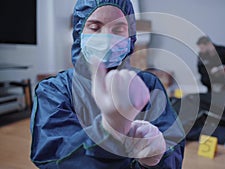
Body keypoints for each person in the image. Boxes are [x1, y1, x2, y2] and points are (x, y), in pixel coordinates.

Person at [30, 0, 185, 168]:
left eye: (118, 29)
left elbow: (173, 147)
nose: (105, 38)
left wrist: (156, 158)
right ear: (79, 32)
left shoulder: (148, 85)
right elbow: (54, 157)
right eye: (95, 28)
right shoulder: (55, 90)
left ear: (131, 36)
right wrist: (109, 131)